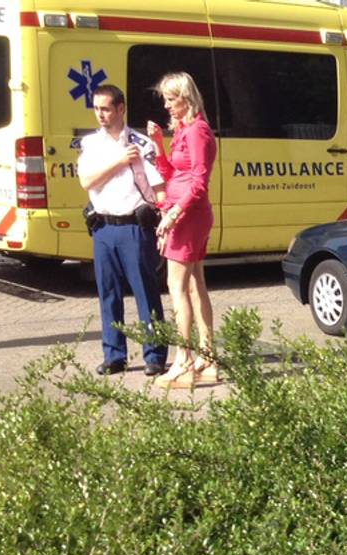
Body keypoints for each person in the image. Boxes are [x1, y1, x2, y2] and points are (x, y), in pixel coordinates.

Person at [77, 83, 168, 378]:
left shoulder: (140, 144)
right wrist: (117, 161)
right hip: (103, 227)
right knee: (108, 295)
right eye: (97, 109)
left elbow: (158, 186)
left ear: (120, 109)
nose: (100, 115)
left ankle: (154, 354)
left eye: (105, 109)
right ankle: (114, 355)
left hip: (133, 227)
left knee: (145, 292)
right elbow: (87, 181)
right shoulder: (91, 144)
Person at [147, 71, 218, 388]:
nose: (166, 106)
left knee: (177, 285)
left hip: (188, 215)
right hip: (182, 211)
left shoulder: (198, 132)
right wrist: (158, 145)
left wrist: (173, 214)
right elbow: (171, 172)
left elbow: (199, 182)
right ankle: (206, 355)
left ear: (185, 98)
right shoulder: (185, 131)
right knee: (193, 285)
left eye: (170, 99)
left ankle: (183, 358)